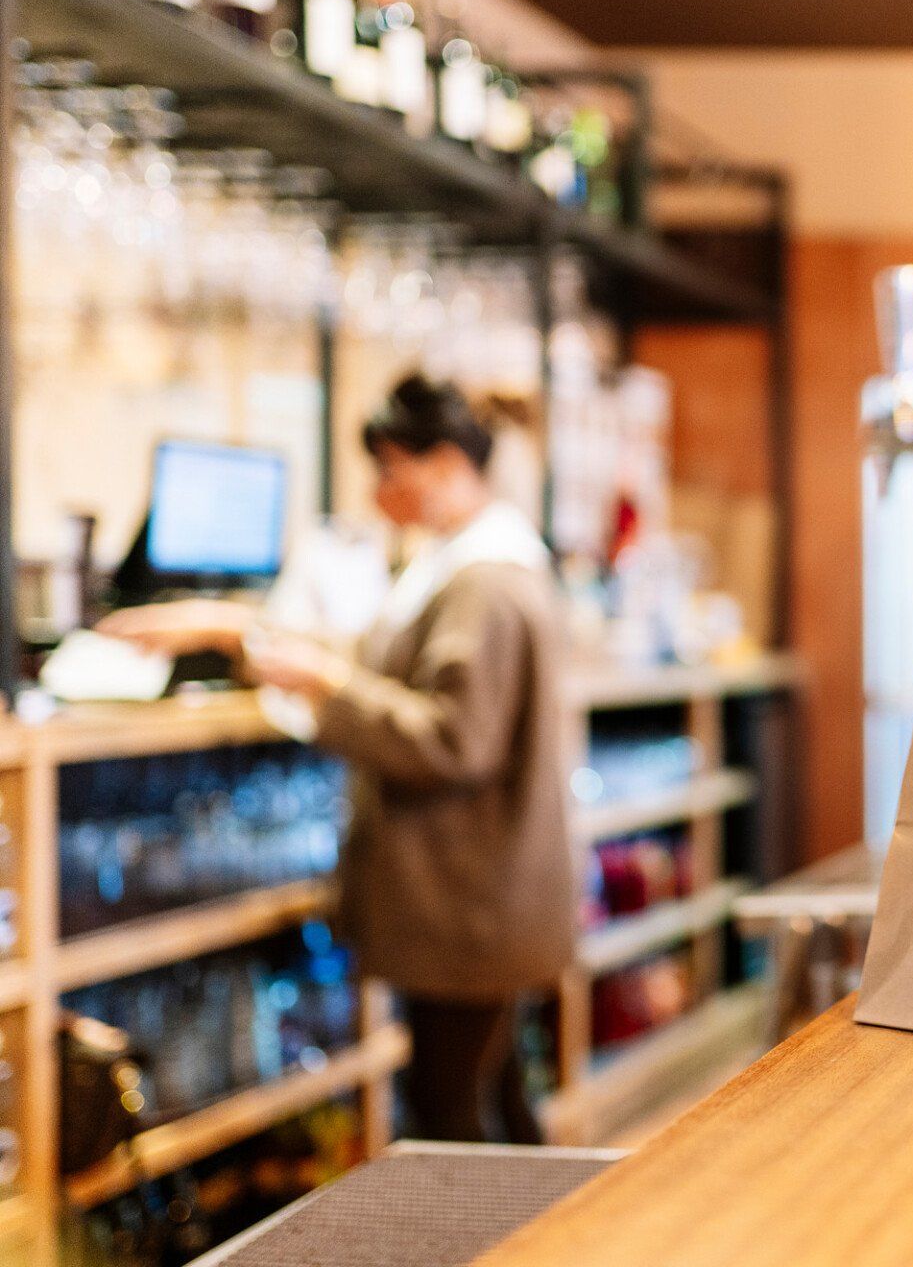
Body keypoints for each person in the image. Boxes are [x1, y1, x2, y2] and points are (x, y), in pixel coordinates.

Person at [101, 375, 576, 1144]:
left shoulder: (482, 582)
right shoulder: (476, 563)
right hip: (489, 900)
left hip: (470, 902)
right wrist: (233, 630)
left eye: (392, 469)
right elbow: (384, 658)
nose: (380, 491)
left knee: (449, 1112)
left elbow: (450, 740)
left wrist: (329, 685)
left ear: (449, 464)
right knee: (499, 1099)